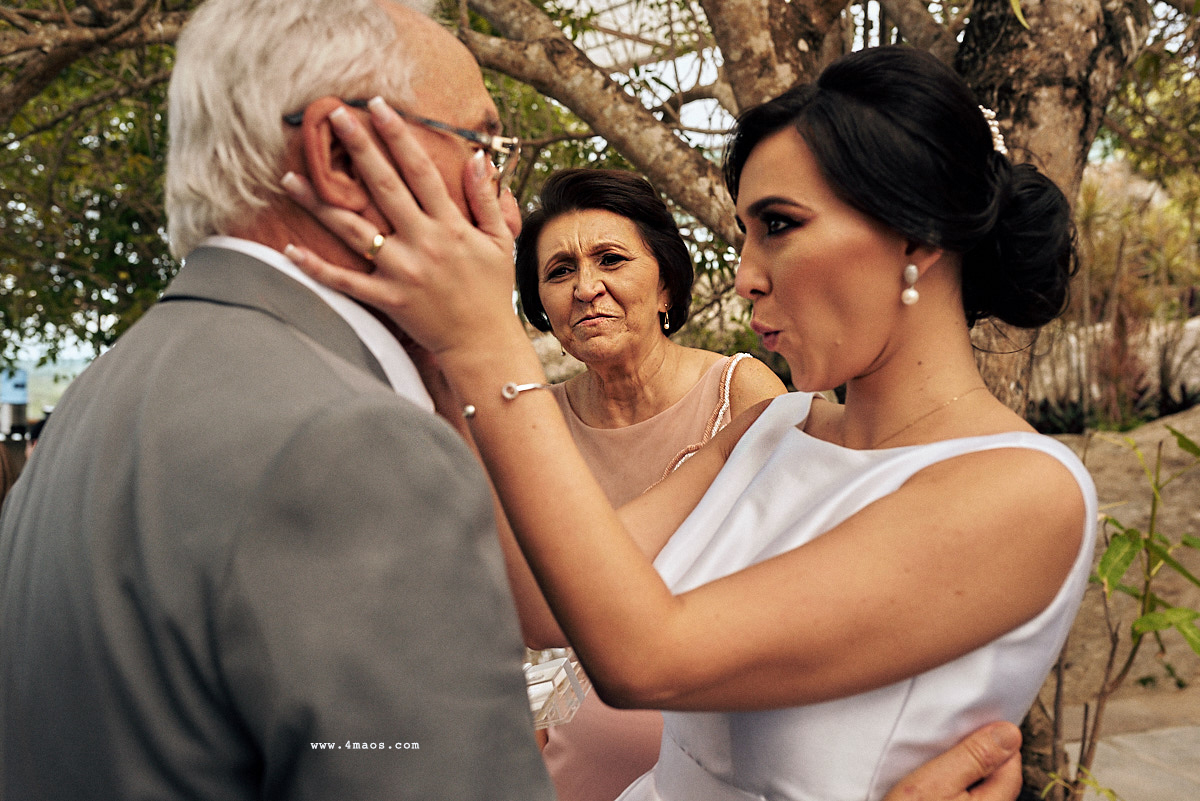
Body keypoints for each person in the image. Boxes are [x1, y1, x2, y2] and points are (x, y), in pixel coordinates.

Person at [283, 44, 1098, 801]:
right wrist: (437, 346)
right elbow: (540, 606)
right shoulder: (772, 428)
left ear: (916, 234)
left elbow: (648, 658)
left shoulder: (1022, 489)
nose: (745, 277)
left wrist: (485, 341)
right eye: (744, 233)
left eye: (778, 224)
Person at [0, 1, 551, 799]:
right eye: (484, 148)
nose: (507, 211)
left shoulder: (91, 404)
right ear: (342, 156)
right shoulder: (355, 447)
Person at [513, 168, 786, 801]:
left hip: (721, 768)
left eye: (611, 259)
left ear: (664, 283)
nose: (587, 288)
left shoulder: (742, 396)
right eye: (558, 272)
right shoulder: (536, 427)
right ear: (542, 307)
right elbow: (527, 633)